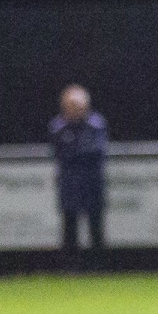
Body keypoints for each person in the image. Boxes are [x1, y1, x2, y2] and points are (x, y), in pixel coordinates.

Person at [49, 84, 108, 271]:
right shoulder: (58, 127)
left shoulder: (96, 125)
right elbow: (59, 153)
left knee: (95, 228)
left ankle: (98, 268)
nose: (74, 110)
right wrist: (77, 153)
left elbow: (95, 151)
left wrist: (75, 153)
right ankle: (70, 268)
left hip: (92, 183)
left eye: (78, 106)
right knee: (69, 227)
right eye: (70, 105)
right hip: (69, 184)